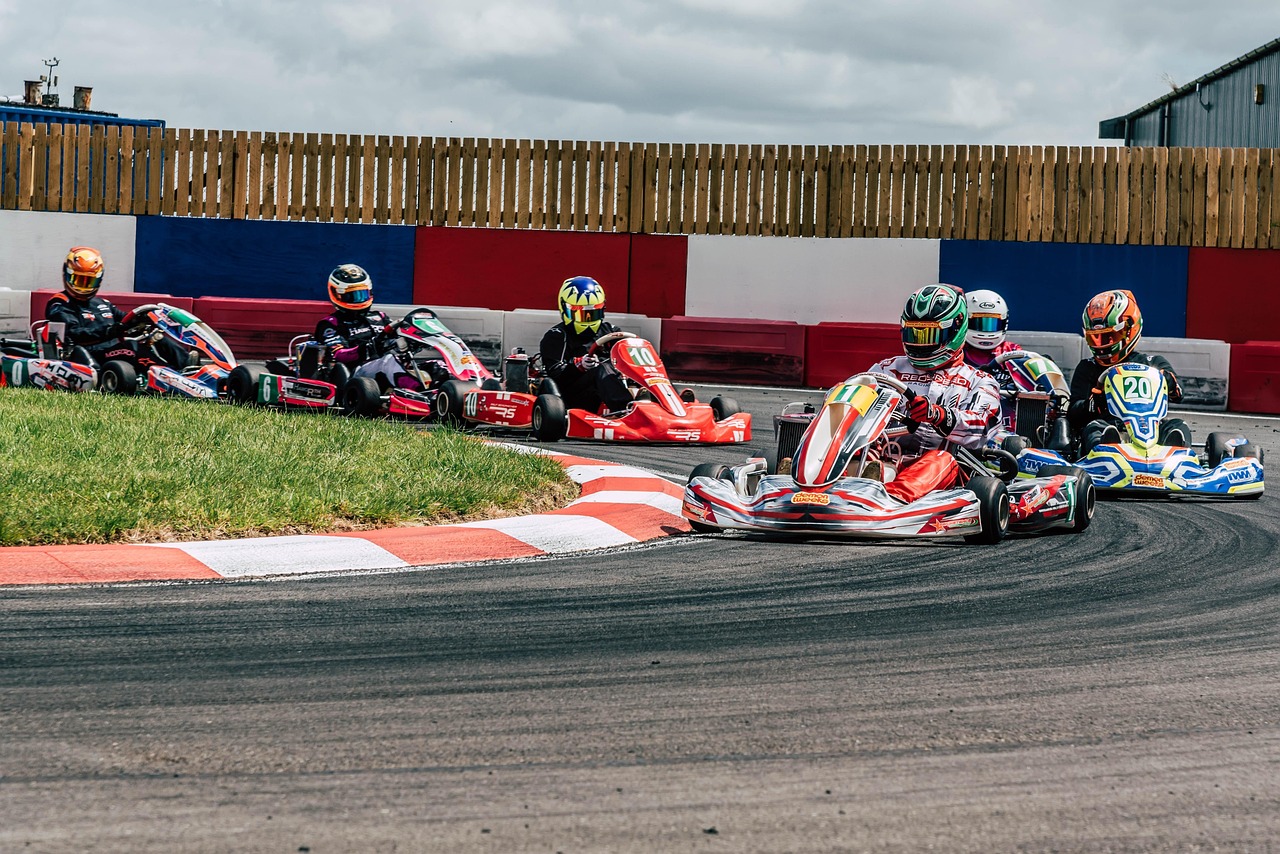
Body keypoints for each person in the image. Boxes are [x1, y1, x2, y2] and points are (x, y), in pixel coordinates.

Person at [866, 284, 1002, 504]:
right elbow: (853, 395)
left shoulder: (979, 380)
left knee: (940, 459)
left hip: (944, 475)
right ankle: (820, 487)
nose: (920, 343)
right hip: (885, 459)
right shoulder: (887, 369)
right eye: (914, 333)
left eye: (928, 333)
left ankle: (891, 500)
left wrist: (938, 415)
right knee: (857, 450)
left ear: (954, 331)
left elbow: (981, 428)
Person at [1067, 289, 1189, 453]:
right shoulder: (1088, 368)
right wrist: (1094, 403)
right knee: (1095, 428)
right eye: (1096, 338)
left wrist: (1166, 379)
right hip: (1109, 428)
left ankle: (1176, 455)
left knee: (1178, 426)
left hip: (1151, 431)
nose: (1102, 345)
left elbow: (1179, 394)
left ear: (1130, 329)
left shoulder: (1153, 363)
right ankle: (1106, 452)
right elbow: (1073, 414)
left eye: (1110, 337)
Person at [44, 246, 184, 368]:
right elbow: (74, 334)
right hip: (89, 355)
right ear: (67, 275)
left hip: (114, 352)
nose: (83, 287)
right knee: (131, 348)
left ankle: (188, 365)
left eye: (89, 281)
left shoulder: (102, 304)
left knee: (156, 337)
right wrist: (112, 331)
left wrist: (143, 319)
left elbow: (125, 319)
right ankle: (169, 377)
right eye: (79, 280)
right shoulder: (60, 303)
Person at [539, 275, 633, 414]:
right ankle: (627, 410)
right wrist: (579, 365)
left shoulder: (611, 332)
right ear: (565, 309)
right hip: (570, 397)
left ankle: (661, 408)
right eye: (582, 315)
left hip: (607, 390)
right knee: (601, 369)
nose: (588, 320)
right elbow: (555, 373)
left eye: (593, 314)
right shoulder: (557, 336)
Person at [312, 263, 393, 369]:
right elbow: (338, 355)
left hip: (386, 368)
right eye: (353, 296)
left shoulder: (380, 317)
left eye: (363, 294)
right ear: (338, 294)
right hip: (357, 374)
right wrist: (367, 348)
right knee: (388, 363)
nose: (359, 300)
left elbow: (396, 338)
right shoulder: (330, 324)